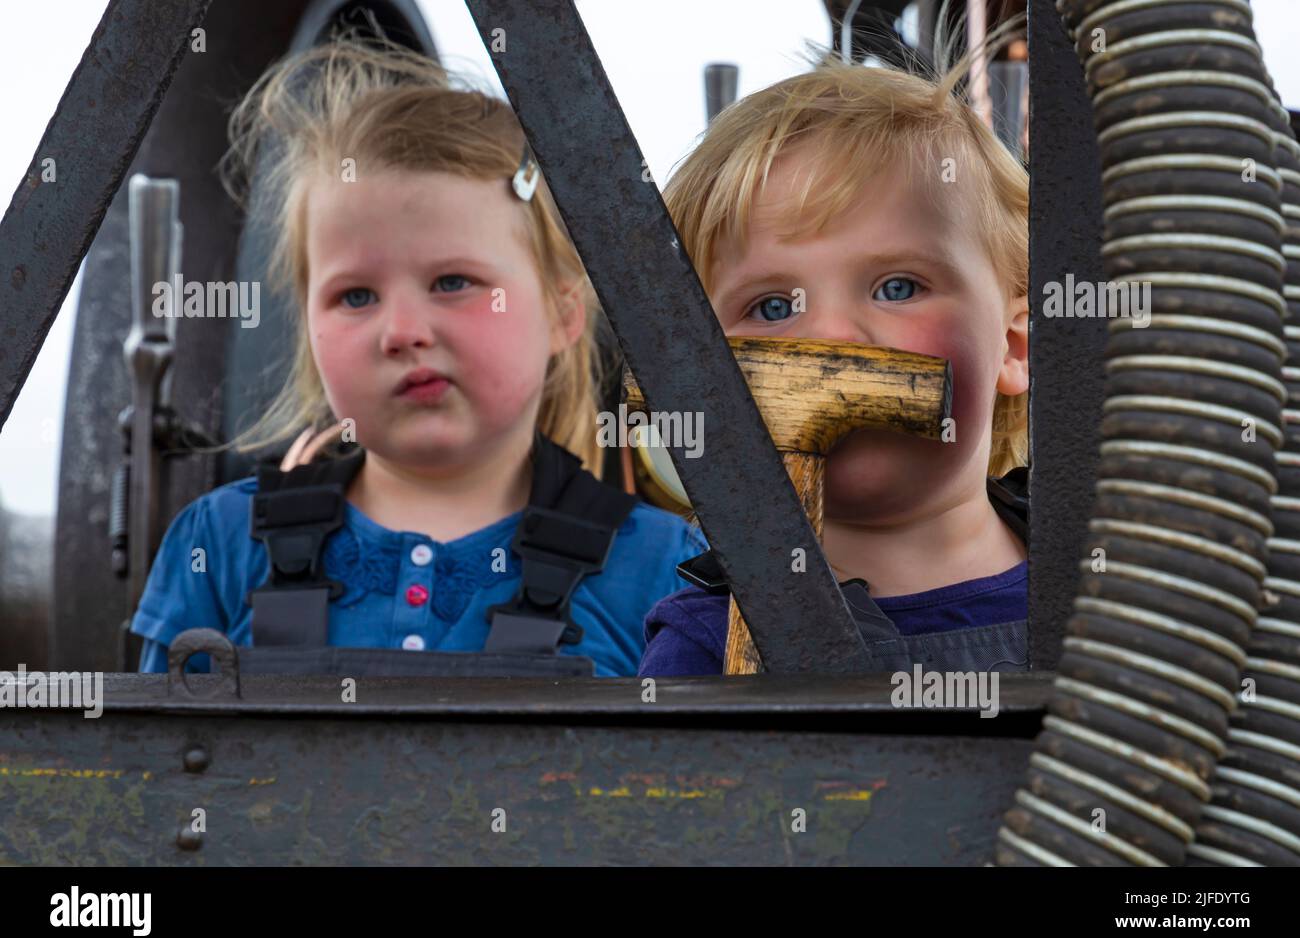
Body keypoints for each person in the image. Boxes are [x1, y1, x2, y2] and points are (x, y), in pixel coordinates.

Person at [133, 38, 703, 677]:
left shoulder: (666, 571)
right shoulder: (220, 545)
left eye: (453, 283)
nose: (401, 331)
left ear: (565, 313)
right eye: (355, 295)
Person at [639, 44, 1030, 676]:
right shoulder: (710, 646)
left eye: (897, 287)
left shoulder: (1118, 589)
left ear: (1013, 346)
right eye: (770, 307)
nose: (830, 337)